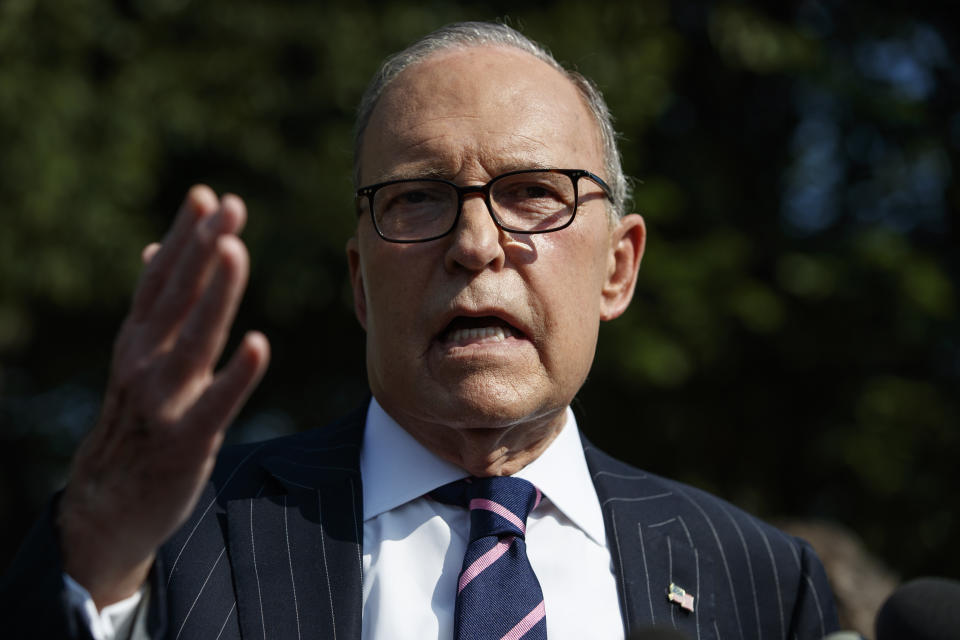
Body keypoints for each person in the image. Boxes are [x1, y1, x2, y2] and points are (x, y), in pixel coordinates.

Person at [2, 21, 838, 640]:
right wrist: (99, 558)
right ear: (362, 283)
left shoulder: (762, 581)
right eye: (419, 200)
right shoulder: (177, 538)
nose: (475, 245)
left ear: (618, 268)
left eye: (533, 193)